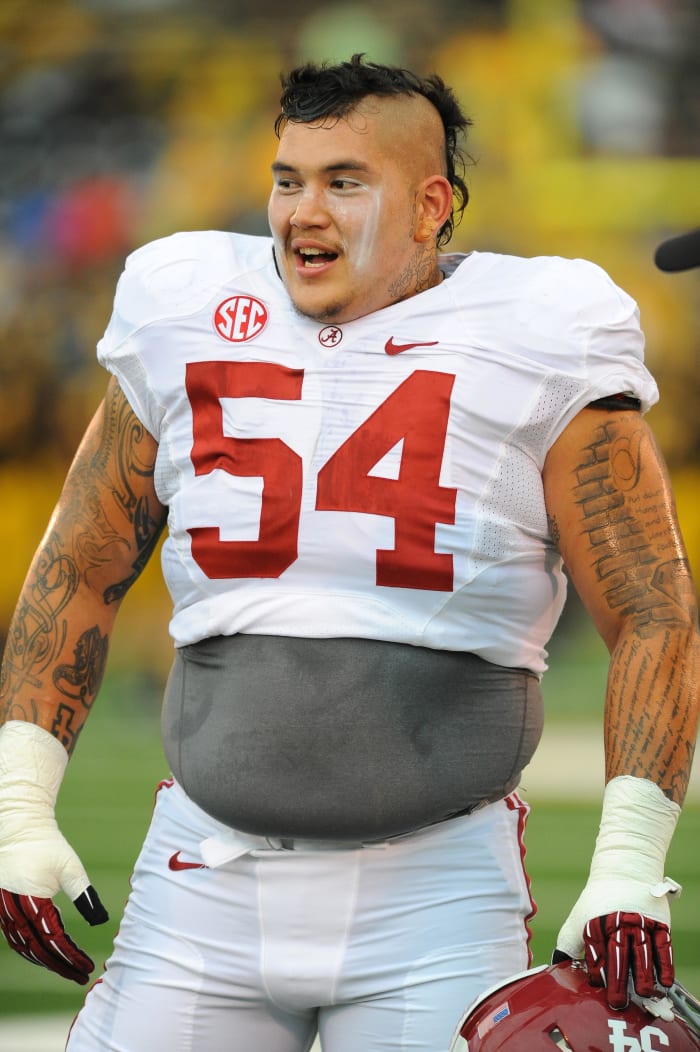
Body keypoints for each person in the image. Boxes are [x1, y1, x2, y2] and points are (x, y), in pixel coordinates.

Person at [0, 53, 697, 1052]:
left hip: (435, 893)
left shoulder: (540, 332)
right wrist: (19, 804)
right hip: (201, 877)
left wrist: (629, 862)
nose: (303, 213)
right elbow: (79, 569)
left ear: (429, 206)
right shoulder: (185, 305)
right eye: (288, 179)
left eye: (343, 182)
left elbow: (653, 610)